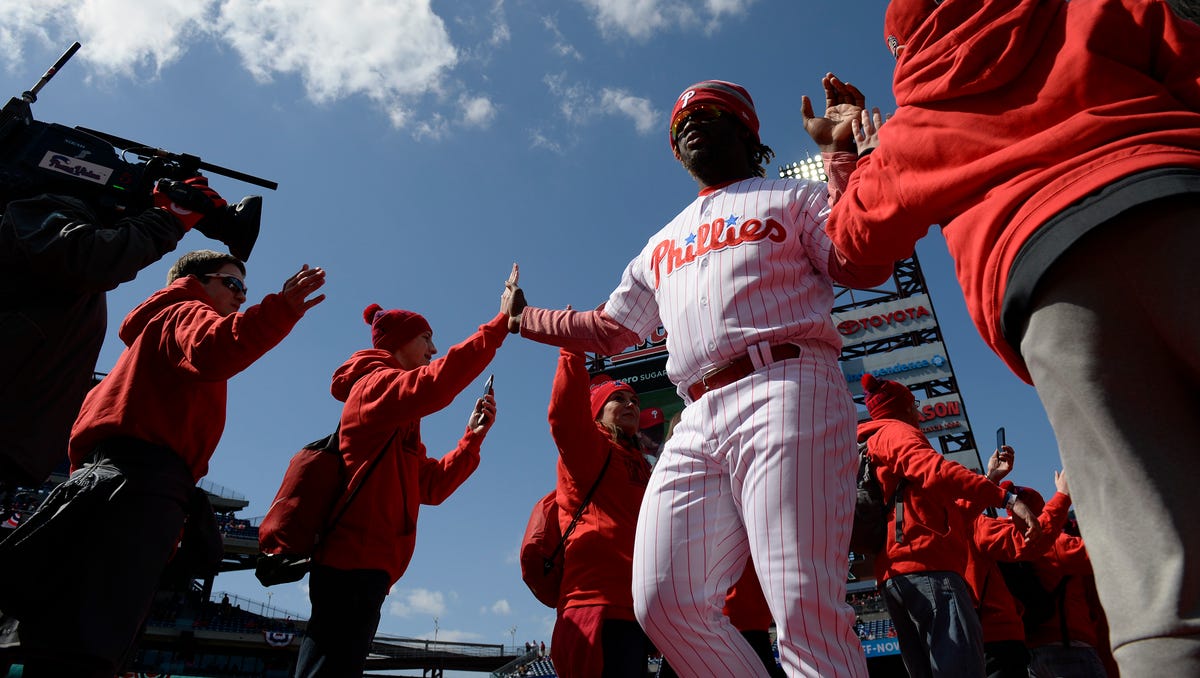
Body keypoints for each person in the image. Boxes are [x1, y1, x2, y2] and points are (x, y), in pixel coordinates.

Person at [826, 1, 1200, 672]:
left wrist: (847, 153)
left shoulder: (914, 127)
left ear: (904, 46)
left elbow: (854, 252)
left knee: (1162, 590)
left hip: (1051, 287)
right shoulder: (1096, 7)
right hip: (1174, 199)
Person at [502, 76, 894, 676]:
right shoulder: (661, 241)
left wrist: (844, 156)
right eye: (681, 124)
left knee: (802, 605)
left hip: (785, 383)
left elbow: (860, 259)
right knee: (664, 603)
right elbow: (609, 329)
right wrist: (524, 318)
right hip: (696, 412)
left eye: (708, 114)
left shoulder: (793, 198)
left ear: (747, 132)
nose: (690, 125)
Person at [0, 249, 325, 676]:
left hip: (112, 483)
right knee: (82, 648)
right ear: (196, 280)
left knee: (61, 636)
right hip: (138, 487)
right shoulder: (185, 311)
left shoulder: (154, 331)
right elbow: (214, 350)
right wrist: (280, 308)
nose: (241, 295)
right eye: (232, 283)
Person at [294, 301, 508, 677]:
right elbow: (435, 384)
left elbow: (431, 486)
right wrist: (500, 325)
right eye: (426, 338)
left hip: (369, 566)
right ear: (398, 342)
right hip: (351, 562)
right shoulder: (372, 385)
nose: (433, 349)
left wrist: (472, 439)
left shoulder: (399, 412)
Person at [0, 177, 232, 492]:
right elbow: (90, 257)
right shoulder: (39, 211)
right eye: (233, 284)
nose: (243, 296)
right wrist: (168, 218)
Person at [857, 373, 1041, 678]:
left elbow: (954, 517)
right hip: (927, 567)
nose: (918, 412)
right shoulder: (898, 432)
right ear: (903, 407)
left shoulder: (874, 440)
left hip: (899, 571)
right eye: (914, 404)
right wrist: (1006, 499)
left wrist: (990, 480)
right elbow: (937, 471)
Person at [546, 351, 654, 677]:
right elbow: (563, 418)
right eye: (617, 399)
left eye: (633, 400)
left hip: (636, 610)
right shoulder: (591, 448)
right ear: (597, 413)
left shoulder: (645, 467)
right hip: (595, 609)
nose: (630, 404)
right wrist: (571, 350)